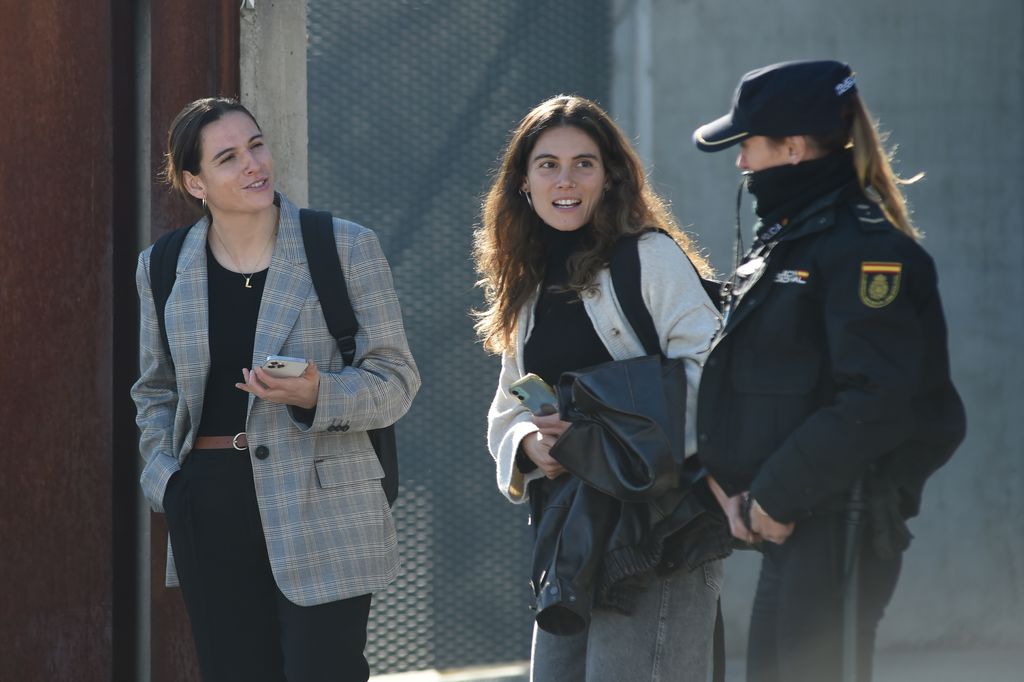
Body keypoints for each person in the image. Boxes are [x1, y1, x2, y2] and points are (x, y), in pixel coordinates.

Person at [692, 60, 966, 682]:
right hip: (791, 522)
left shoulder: (863, 249)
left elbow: (875, 401)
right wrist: (737, 482)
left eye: (748, 146)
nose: (740, 164)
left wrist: (775, 493)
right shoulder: (795, 237)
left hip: (839, 525)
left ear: (791, 148)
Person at [131, 97, 420, 682]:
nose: (253, 165)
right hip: (206, 506)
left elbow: (396, 380)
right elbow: (155, 391)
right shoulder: (161, 267)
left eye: (257, 145)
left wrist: (319, 395)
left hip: (324, 501)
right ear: (195, 182)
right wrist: (166, 479)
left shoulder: (344, 247)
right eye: (229, 157)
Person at [475, 94, 729, 682]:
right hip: (571, 533)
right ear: (523, 183)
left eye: (584, 163)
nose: (566, 180)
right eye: (548, 165)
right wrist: (529, 447)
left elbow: (713, 375)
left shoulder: (649, 258)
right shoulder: (528, 284)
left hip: (659, 527)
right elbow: (507, 407)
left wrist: (601, 440)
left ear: (611, 177)